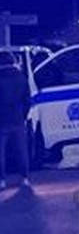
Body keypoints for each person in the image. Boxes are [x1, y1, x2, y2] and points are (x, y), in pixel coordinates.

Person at [0, 51, 31, 191]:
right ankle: (24, 178)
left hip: (2, 119)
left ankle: (2, 180)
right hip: (17, 118)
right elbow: (27, 100)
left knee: (1, 152)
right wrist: (23, 115)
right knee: (21, 150)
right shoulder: (21, 77)